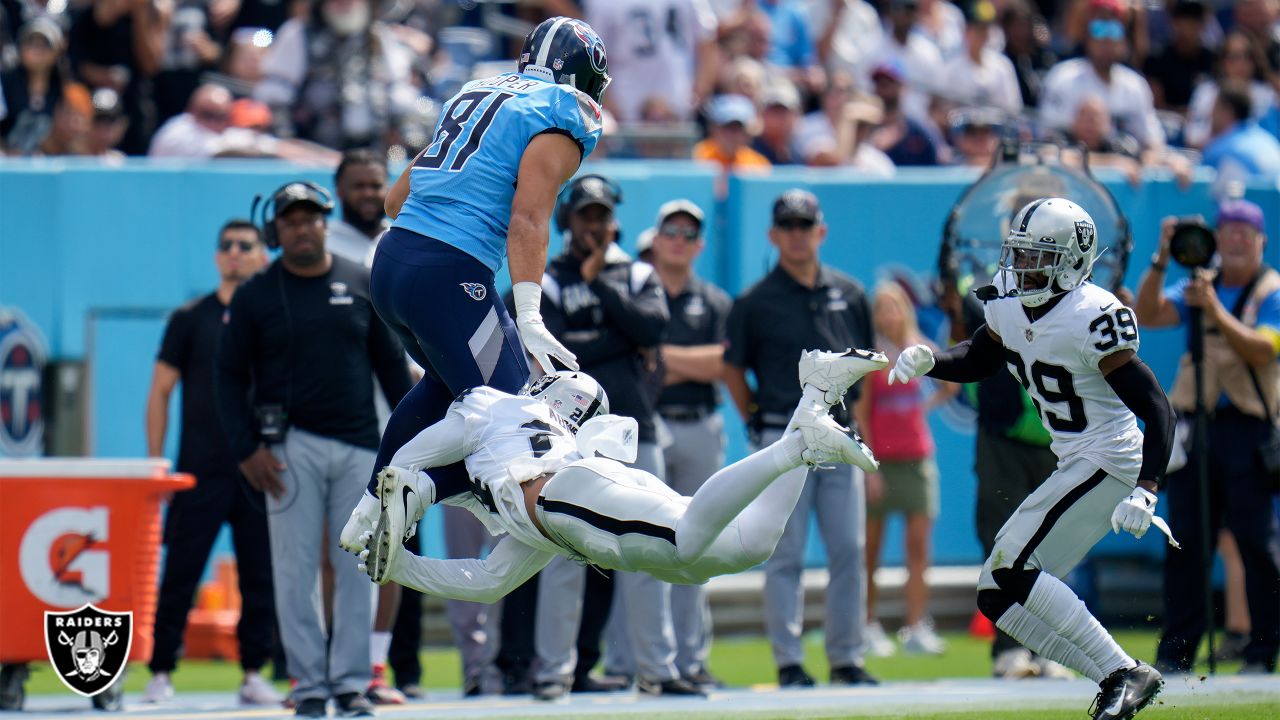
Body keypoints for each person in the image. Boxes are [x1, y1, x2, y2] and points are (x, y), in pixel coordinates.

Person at [889, 197, 1176, 720]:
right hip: (1074, 458)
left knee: (1013, 567)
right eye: (1017, 255)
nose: (1020, 269)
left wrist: (1148, 485)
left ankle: (1125, 672)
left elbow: (1156, 406)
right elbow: (979, 357)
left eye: (1035, 258)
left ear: (1071, 262)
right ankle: (1116, 675)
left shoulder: (1092, 316)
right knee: (997, 594)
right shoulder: (1008, 303)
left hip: (1109, 457)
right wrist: (933, 360)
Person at [358, 356, 884, 625]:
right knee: (749, 545)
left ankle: (799, 447)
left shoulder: (492, 411)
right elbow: (492, 580)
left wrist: (380, 512)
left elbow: (412, 457)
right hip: (581, 505)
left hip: (576, 492)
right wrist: (402, 565)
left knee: (687, 539)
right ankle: (813, 396)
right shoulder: (516, 437)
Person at [215, 180, 413, 718]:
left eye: (311, 218)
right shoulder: (257, 294)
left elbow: (392, 369)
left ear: (326, 222)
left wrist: (408, 445)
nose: (303, 228)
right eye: (292, 220)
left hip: (360, 446)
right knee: (295, 570)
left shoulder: (359, 282)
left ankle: (350, 683)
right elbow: (228, 377)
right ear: (275, 232)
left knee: (358, 568)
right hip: (287, 449)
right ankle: (307, 683)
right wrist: (246, 448)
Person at [529, 175, 685, 699]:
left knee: (652, 551)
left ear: (612, 220)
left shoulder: (636, 272)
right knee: (563, 556)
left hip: (635, 428)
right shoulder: (545, 278)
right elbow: (556, 355)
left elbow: (652, 330)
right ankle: (553, 672)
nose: (592, 225)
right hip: (567, 436)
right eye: (583, 215)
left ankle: (657, 672)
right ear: (566, 220)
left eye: (600, 216)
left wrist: (599, 286)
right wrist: (616, 341)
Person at [723, 189, 879, 688]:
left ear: (820, 231)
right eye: (787, 226)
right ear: (773, 235)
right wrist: (755, 414)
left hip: (840, 433)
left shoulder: (851, 293)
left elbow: (867, 370)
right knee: (785, 553)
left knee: (849, 551)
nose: (796, 234)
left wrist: (864, 431)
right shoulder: (754, 301)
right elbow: (732, 370)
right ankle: (789, 660)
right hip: (783, 438)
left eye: (804, 225)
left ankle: (846, 657)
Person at [1134, 200, 1280, 676]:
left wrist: (1213, 307)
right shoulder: (1198, 285)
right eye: (1229, 231)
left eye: (1246, 232)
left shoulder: (1270, 290)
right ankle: (1176, 653)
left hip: (1246, 428)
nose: (1236, 240)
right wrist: (1161, 258)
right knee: (1187, 544)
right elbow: (1148, 312)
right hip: (1197, 429)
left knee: (1256, 544)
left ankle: (1262, 652)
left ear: (1261, 242)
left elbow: (1262, 349)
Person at [141, 220, 279, 707]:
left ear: (262, 255)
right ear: (217, 256)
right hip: (199, 469)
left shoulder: (269, 317)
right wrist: (158, 464)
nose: (235, 253)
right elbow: (160, 391)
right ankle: (160, 669)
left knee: (260, 573)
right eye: (227, 246)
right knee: (180, 571)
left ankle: (253, 671)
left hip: (258, 468)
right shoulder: (190, 318)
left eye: (246, 246)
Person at [648, 198, 732, 688]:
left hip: (700, 422)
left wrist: (660, 356)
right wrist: (686, 359)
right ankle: (642, 660)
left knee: (696, 547)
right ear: (657, 239)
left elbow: (723, 363)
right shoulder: (635, 289)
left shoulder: (715, 300)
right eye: (670, 231)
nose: (678, 240)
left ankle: (691, 660)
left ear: (698, 245)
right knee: (641, 544)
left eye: (688, 234)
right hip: (649, 423)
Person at [854, 281, 956, 657]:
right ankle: (866, 624)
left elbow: (950, 383)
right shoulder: (872, 357)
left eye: (894, 306)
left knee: (918, 547)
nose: (889, 314)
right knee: (871, 550)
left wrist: (923, 410)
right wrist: (868, 468)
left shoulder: (920, 349)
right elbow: (860, 411)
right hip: (879, 461)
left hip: (917, 459)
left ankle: (915, 626)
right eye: (881, 307)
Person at [326, 149, 389, 265]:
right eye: (358, 186)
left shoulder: (401, 240)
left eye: (376, 186)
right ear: (339, 190)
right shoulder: (324, 243)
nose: (368, 194)